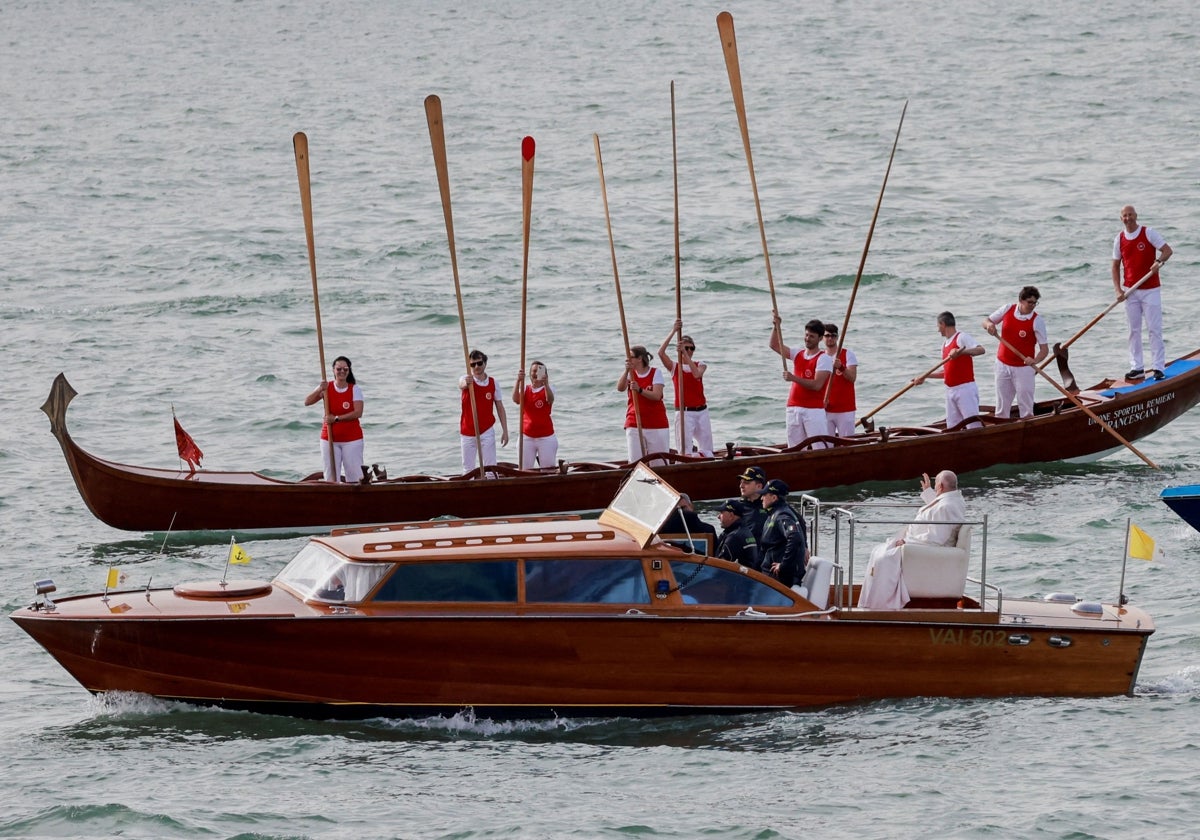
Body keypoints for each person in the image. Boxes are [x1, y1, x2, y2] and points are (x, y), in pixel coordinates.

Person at [858, 470, 968, 610]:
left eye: (935, 485)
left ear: (940, 486)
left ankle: (880, 606)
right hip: (917, 544)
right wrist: (928, 492)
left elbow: (935, 539)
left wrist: (907, 543)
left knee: (883, 558)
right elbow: (937, 513)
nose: (934, 487)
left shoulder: (948, 506)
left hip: (920, 548)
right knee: (879, 552)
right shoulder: (952, 499)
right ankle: (871, 603)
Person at [1112, 205, 1173, 381]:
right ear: (1121, 218)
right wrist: (1118, 290)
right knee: (1133, 330)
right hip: (1131, 291)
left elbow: (1167, 251)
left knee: (1154, 329)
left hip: (1151, 290)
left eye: (1130, 215)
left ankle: (1158, 367)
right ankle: (1137, 367)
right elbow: (1115, 266)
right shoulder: (1119, 239)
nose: (1128, 218)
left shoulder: (1148, 233)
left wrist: (1158, 261)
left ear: (1136, 216)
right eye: (1124, 215)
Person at [982, 286, 1049, 419]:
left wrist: (1034, 360)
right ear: (1021, 300)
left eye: (1035, 303)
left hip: (1024, 369)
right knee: (1001, 404)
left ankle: (1028, 427)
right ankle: (1001, 429)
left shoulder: (1037, 321)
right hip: (1002, 365)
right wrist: (989, 326)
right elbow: (986, 321)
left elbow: (1044, 350)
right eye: (1030, 302)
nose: (1033, 305)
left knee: (1026, 404)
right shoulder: (1007, 309)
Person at [768, 315, 833, 448]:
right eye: (807, 335)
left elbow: (817, 385)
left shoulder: (824, 359)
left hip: (813, 411)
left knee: (819, 447)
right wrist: (776, 327)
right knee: (794, 449)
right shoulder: (797, 354)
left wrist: (793, 378)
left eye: (812, 336)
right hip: (793, 408)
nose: (807, 339)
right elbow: (774, 345)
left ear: (820, 338)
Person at [915, 312, 985, 430]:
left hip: (965, 389)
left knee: (973, 425)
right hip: (950, 391)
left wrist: (961, 352)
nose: (938, 330)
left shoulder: (961, 337)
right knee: (952, 427)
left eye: (938, 326)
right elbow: (946, 372)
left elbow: (981, 350)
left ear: (943, 324)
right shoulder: (944, 345)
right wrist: (925, 376)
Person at [657, 319, 714, 457]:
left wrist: (685, 355)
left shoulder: (700, 364)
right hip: (684, 412)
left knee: (708, 449)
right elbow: (660, 353)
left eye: (691, 348)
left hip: (701, 411)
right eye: (686, 348)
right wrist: (674, 331)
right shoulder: (675, 367)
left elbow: (696, 374)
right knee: (684, 451)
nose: (689, 351)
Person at [303, 355, 364, 483]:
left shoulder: (355, 389)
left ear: (349, 371)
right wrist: (320, 389)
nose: (342, 371)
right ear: (333, 370)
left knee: (354, 477)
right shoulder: (326, 387)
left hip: (352, 440)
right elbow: (307, 402)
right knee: (331, 478)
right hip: (329, 439)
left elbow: (358, 412)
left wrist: (336, 419)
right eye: (339, 369)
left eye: (345, 369)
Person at [616, 345, 670, 462]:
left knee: (659, 463)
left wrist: (639, 390)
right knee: (636, 463)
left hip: (656, 424)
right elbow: (620, 388)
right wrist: (626, 371)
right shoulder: (631, 374)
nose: (628, 360)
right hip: (634, 422)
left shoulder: (656, 373)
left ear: (640, 358)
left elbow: (656, 395)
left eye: (630, 357)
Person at [459, 349, 509, 474]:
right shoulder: (466, 379)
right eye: (473, 364)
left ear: (485, 363)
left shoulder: (493, 383)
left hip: (486, 431)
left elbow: (500, 407)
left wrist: (505, 431)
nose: (476, 367)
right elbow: (461, 384)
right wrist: (466, 382)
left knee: (490, 468)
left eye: (479, 363)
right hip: (467, 432)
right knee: (468, 470)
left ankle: (491, 489)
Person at [758, 478, 807, 587]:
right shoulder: (774, 514)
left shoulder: (782, 516)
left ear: (774, 497)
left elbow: (795, 537)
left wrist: (784, 565)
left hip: (780, 578)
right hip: (769, 573)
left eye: (764, 495)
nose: (761, 498)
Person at [511, 360, 557, 469]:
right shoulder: (525, 389)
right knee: (524, 470)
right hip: (526, 437)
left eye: (539, 371)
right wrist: (518, 381)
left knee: (548, 470)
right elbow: (516, 399)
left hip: (546, 437)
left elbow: (550, 399)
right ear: (530, 374)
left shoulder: (549, 389)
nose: (536, 373)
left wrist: (546, 384)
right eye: (533, 371)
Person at [821, 322, 858, 437]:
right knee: (826, 444)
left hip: (845, 410)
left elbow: (852, 378)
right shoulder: (820, 357)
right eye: (827, 336)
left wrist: (841, 367)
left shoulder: (848, 354)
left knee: (847, 444)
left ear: (837, 337)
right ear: (822, 338)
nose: (830, 338)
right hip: (825, 409)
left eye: (833, 335)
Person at [715, 498, 759, 568]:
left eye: (721, 513)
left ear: (731, 515)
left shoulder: (733, 537)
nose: (718, 516)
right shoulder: (745, 532)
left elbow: (720, 566)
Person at [737, 465, 769, 541]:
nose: (741, 486)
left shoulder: (773, 504)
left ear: (759, 486)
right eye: (741, 482)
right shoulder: (736, 508)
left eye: (746, 482)